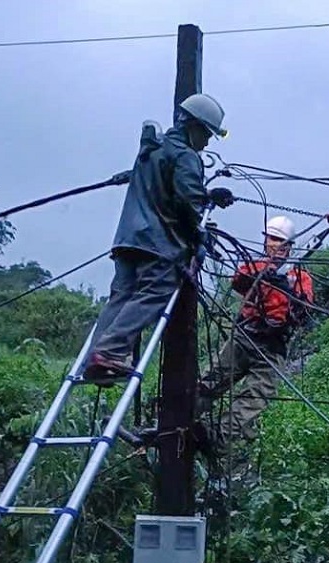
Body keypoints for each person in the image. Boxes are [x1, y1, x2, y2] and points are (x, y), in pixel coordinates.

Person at [82, 93, 236, 385]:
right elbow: (187, 202)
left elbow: (163, 189)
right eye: (206, 134)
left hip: (128, 239)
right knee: (155, 291)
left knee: (122, 296)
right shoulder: (185, 156)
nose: (206, 143)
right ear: (194, 126)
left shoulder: (151, 150)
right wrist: (200, 237)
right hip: (159, 243)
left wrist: (206, 195)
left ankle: (96, 356)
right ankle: (110, 352)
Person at [197, 215, 315, 456]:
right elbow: (238, 281)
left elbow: (305, 307)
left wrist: (285, 287)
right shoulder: (256, 267)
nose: (274, 245)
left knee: (256, 396)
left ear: (289, 245)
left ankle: (217, 438)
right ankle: (176, 420)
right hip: (244, 337)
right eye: (271, 239)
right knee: (211, 380)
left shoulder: (299, 276)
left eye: (280, 241)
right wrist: (264, 275)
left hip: (272, 347)